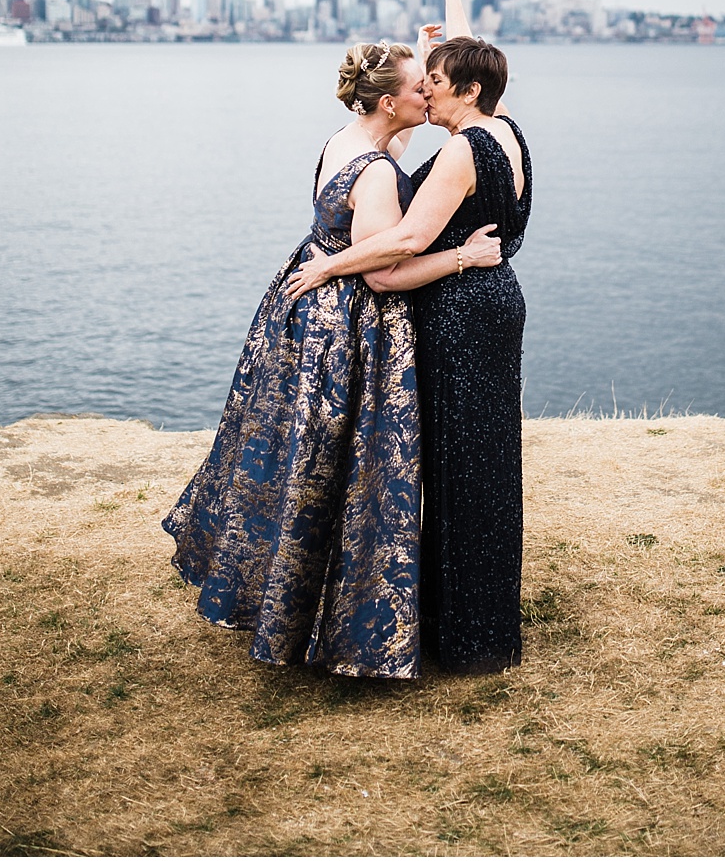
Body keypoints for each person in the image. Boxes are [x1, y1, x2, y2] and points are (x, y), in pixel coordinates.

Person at [162, 39, 502, 680]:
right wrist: (464, 258)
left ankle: (280, 597)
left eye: (431, 84)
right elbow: (386, 265)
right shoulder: (377, 171)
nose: (426, 93)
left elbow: (432, 108)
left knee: (301, 460)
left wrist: (440, 42)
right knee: (353, 467)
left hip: (302, 313)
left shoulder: (349, 140)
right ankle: (348, 625)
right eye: (416, 86)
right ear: (387, 102)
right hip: (348, 322)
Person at [287, 0, 533, 674]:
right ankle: (484, 624)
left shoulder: (461, 152)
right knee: (486, 462)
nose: (427, 85)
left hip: (458, 308)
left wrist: (327, 263)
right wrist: (454, 1)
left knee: (456, 468)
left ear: (465, 90)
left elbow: (406, 240)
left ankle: (461, 636)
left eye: (436, 79)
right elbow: (477, 66)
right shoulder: (507, 128)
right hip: (497, 304)